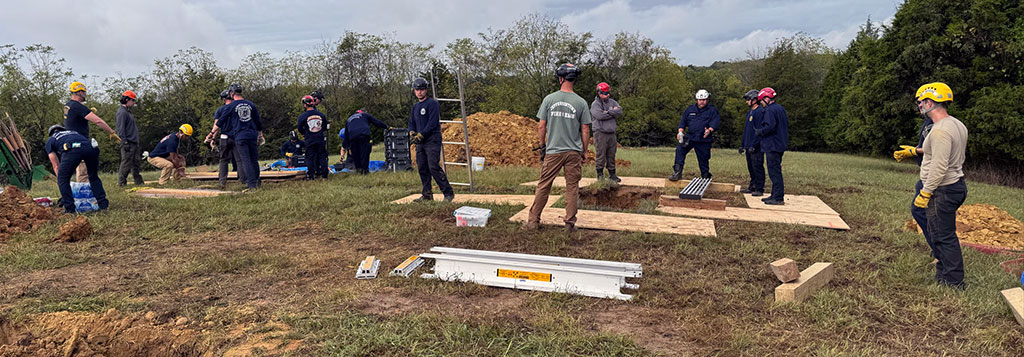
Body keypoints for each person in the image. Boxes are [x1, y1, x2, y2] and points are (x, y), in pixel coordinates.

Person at [899, 82, 969, 288]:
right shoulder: (956, 124)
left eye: (921, 102)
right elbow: (941, 150)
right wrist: (915, 151)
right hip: (955, 184)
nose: (919, 106)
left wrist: (927, 192)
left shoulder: (939, 131)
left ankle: (953, 282)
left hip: (942, 188)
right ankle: (945, 272)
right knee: (932, 224)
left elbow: (940, 164)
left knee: (943, 235)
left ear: (930, 102)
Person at [524, 63, 592, 233]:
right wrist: (584, 151)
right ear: (574, 79)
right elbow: (585, 130)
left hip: (553, 151)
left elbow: (541, 126)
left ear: (561, 79)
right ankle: (569, 224)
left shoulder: (549, 99)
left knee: (544, 185)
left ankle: (533, 221)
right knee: (572, 187)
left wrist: (542, 147)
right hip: (573, 152)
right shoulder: (581, 102)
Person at [408, 77, 454, 202]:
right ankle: (427, 194)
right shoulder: (415, 107)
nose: (419, 92)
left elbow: (433, 122)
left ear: (426, 90)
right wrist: (412, 132)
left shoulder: (432, 104)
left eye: (422, 89)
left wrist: (421, 134)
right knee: (422, 167)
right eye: (417, 90)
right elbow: (411, 122)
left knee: (433, 166)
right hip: (420, 142)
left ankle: (448, 193)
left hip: (432, 140)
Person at [64, 81, 121, 182]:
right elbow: (98, 121)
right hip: (79, 142)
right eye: (84, 92)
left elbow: (74, 119)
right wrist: (111, 132)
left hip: (71, 141)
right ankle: (84, 194)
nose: (85, 94)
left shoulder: (68, 105)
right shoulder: (78, 107)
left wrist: (87, 111)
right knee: (83, 171)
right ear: (79, 92)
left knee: (80, 169)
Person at [45, 125, 109, 213]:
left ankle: (70, 209)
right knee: (93, 177)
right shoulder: (74, 132)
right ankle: (103, 206)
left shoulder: (51, 140)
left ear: (51, 133)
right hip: (91, 147)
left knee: (62, 179)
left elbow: (56, 165)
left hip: (72, 149)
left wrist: (62, 179)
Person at [220, 83, 264, 190]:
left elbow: (221, 120)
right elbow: (258, 121)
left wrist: (211, 134)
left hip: (240, 136)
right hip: (252, 135)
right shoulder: (251, 104)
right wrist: (260, 134)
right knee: (254, 159)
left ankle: (251, 185)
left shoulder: (231, 106)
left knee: (245, 160)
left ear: (232, 93)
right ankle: (257, 181)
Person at [669, 89, 719, 181]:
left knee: (703, 158)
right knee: (680, 150)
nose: (702, 102)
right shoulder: (690, 109)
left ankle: (705, 175)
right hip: (690, 137)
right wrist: (680, 132)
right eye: (700, 100)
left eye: (704, 100)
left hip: (703, 139)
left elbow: (715, 123)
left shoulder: (712, 110)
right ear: (697, 99)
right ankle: (677, 172)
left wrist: (709, 130)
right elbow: (683, 122)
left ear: (707, 99)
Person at [755, 87, 789, 205]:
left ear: (767, 99)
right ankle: (774, 194)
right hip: (780, 143)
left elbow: (770, 126)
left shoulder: (770, 110)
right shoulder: (780, 108)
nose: (761, 104)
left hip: (772, 144)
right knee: (775, 169)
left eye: (761, 101)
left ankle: (778, 197)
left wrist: (760, 131)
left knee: (774, 171)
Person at [206, 90, 245, 187]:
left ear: (223, 99)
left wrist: (213, 138)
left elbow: (217, 125)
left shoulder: (220, 110)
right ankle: (242, 180)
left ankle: (222, 181)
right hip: (236, 137)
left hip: (224, 137)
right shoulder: (237, 108)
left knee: (223, 160)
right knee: (239, 160)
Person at [590, 82, 623, 182]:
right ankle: (600, 176)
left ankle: (612, 175)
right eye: (605, 93)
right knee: (601, 154)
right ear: (599, 93)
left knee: (611, 154)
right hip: (600, 133)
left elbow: (620, 111)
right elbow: (599, 116)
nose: (607, 95)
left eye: (608, 92)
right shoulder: (595, 104)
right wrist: (612, 112)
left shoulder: (612, 102)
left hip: (611, 133)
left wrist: (607, 112)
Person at [344, 109, 389, 174]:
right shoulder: (365, 115)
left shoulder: (349, 119)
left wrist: (348, 147)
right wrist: (386, 127)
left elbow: (346, 135)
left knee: (356, 154)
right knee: (364, 153)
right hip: (363, 135)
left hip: (352, 137)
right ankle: (365, 170)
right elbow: (376, 122)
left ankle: (358, 170)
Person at [739, 89, 765, 196]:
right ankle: (752, 185)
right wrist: (742, 144)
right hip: (748, 145)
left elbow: (759, 130)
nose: (746, 102)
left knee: (757, 166)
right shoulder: (750, 112)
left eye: (748, 99)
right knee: (751, 167)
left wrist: (754, 144)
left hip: (756, 146)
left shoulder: (760, 112)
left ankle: (759, 188)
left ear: (755, 100)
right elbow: (746, 130)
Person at [115, 90, 144, 186]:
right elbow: (120, 129)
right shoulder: (122, 112)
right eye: (133, 100)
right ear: (127, 99)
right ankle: (122, 183)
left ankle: (138, 182)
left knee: (136, 163)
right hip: (128, 142)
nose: (134, 103)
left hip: (134, 142)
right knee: (126, 163)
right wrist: (124, 142)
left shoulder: (128, 112)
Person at [297, 95, 328, 179]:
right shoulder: (321, 115)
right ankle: (325, 175)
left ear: (305, 104)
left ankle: (311, 175)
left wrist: (306, 133)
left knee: (310, 157)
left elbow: (299, 129)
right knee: (322, 156)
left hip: (309, 139)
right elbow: (324, 126)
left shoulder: (302, 116)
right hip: (320, 138)